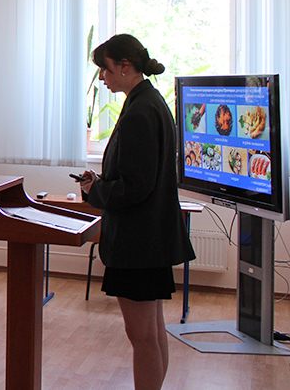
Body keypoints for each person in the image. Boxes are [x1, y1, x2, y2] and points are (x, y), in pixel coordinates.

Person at [76, 34, 195, 390]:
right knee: (152, 331)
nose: (102, 77)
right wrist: (101, 183)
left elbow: (135, 187)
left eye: (105, 69)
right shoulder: (149, 101)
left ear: (125, 67)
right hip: (149, 239)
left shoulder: (140, 112)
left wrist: (96, 190)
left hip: (137, 243)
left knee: (142, 336)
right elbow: (139, 175)